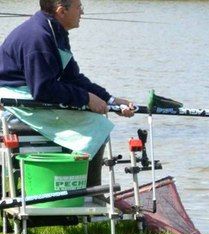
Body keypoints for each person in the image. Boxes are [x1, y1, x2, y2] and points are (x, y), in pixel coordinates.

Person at [0, 0, 134, 166]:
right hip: (17, 101)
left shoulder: (55, 32)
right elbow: (43, 89)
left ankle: (81, 184)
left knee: (94, 119)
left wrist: (111, 100)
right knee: (98, 126)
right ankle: (90, 188)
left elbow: (72, 77)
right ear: (61, 11)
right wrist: (86, 99)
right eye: (79, 7)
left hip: (32, 92)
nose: (82, 12)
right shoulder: (39, 37)